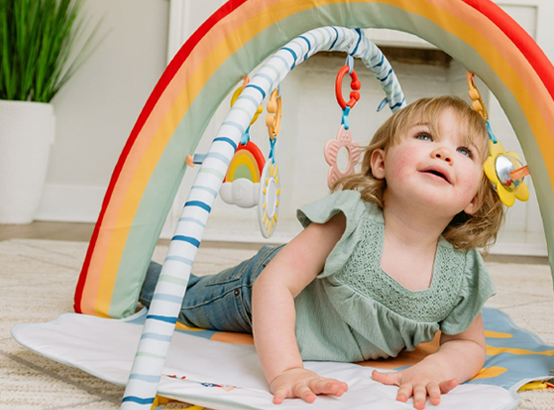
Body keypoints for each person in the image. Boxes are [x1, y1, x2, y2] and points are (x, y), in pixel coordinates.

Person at [140, 95, 505, 409]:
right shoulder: (351, 218)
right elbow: (275, 285)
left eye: (463, 151)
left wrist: (439, 368)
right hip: (255, 294)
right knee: (179, 299)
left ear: (474, 199)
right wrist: (286, 370)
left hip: (297, 311)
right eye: (425, 136)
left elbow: (468, 344)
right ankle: (135, 271)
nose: (443, 152)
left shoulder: (462, 270)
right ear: (380, 163)